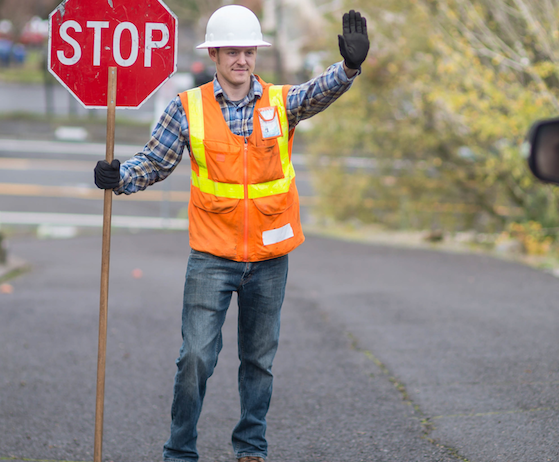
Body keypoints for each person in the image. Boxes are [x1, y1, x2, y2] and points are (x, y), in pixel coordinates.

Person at [92, 5, 369, 462]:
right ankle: (179, 450)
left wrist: (350, 67)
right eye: (233, 51)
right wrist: (119, 175)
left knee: (258, 362)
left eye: (248, 51)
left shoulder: (281, 103)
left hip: (269, 257)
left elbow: (318, 91)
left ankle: (251, 448)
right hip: (212, 257)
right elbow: (155, 161)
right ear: (215, 54)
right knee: (195, 358)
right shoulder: (188, 109)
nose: (242, 59)